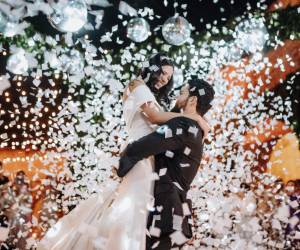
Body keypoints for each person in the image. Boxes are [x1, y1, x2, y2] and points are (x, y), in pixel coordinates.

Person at [37, 53, 210, 250]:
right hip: (140, 155)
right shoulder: (137, 84)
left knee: (137, 210)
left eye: (169, 77)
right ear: (151, 68)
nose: (164, 79)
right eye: (162, 72)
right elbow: (153, 117)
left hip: (148, 157)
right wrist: (195, 118)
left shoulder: (152, 96)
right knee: (132, 208)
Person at [117, 77, 215, 249]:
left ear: (192, 99)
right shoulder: (193, 128)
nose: (177, 96)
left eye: (182, 92)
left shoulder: (185, 125)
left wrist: (121, 166)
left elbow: (144, 146)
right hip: (173, 216)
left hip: (166, 215)